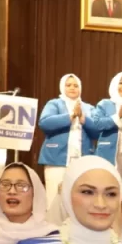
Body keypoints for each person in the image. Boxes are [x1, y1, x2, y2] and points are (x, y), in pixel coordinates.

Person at [38, 74, 96, 219]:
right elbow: (44, 123)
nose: (72, 88)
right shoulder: (55, 104)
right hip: (56, 159)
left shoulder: (88, 108)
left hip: (83, 161)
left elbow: (97, 130)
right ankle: (53, 229)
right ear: (62, 87)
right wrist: (70, 116)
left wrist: (83, 118)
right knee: (54, 198)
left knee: (81, 198)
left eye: (75, 85)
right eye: (68, 85)